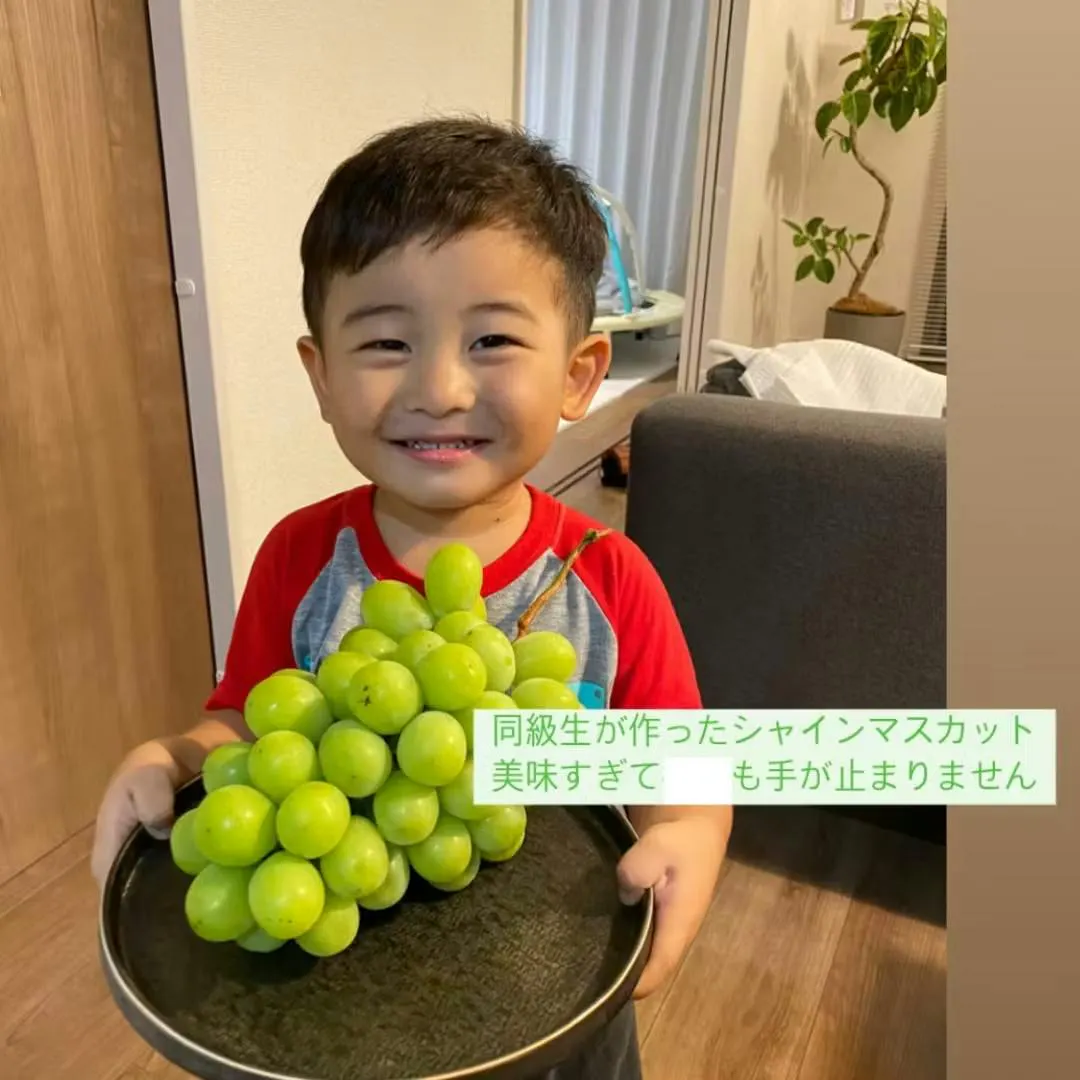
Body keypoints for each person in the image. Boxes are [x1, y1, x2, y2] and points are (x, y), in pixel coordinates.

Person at [92, 116, 732, 1079]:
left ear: (578, 375)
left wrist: (690, 833)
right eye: (387, 340)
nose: (439, 387)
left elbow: (680, 768)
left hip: (552, 992)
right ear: (320, 376)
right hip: (347, 1004)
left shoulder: (609, 578)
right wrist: (175, 757)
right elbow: (247, 723)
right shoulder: (301, 557)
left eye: (492, 340)